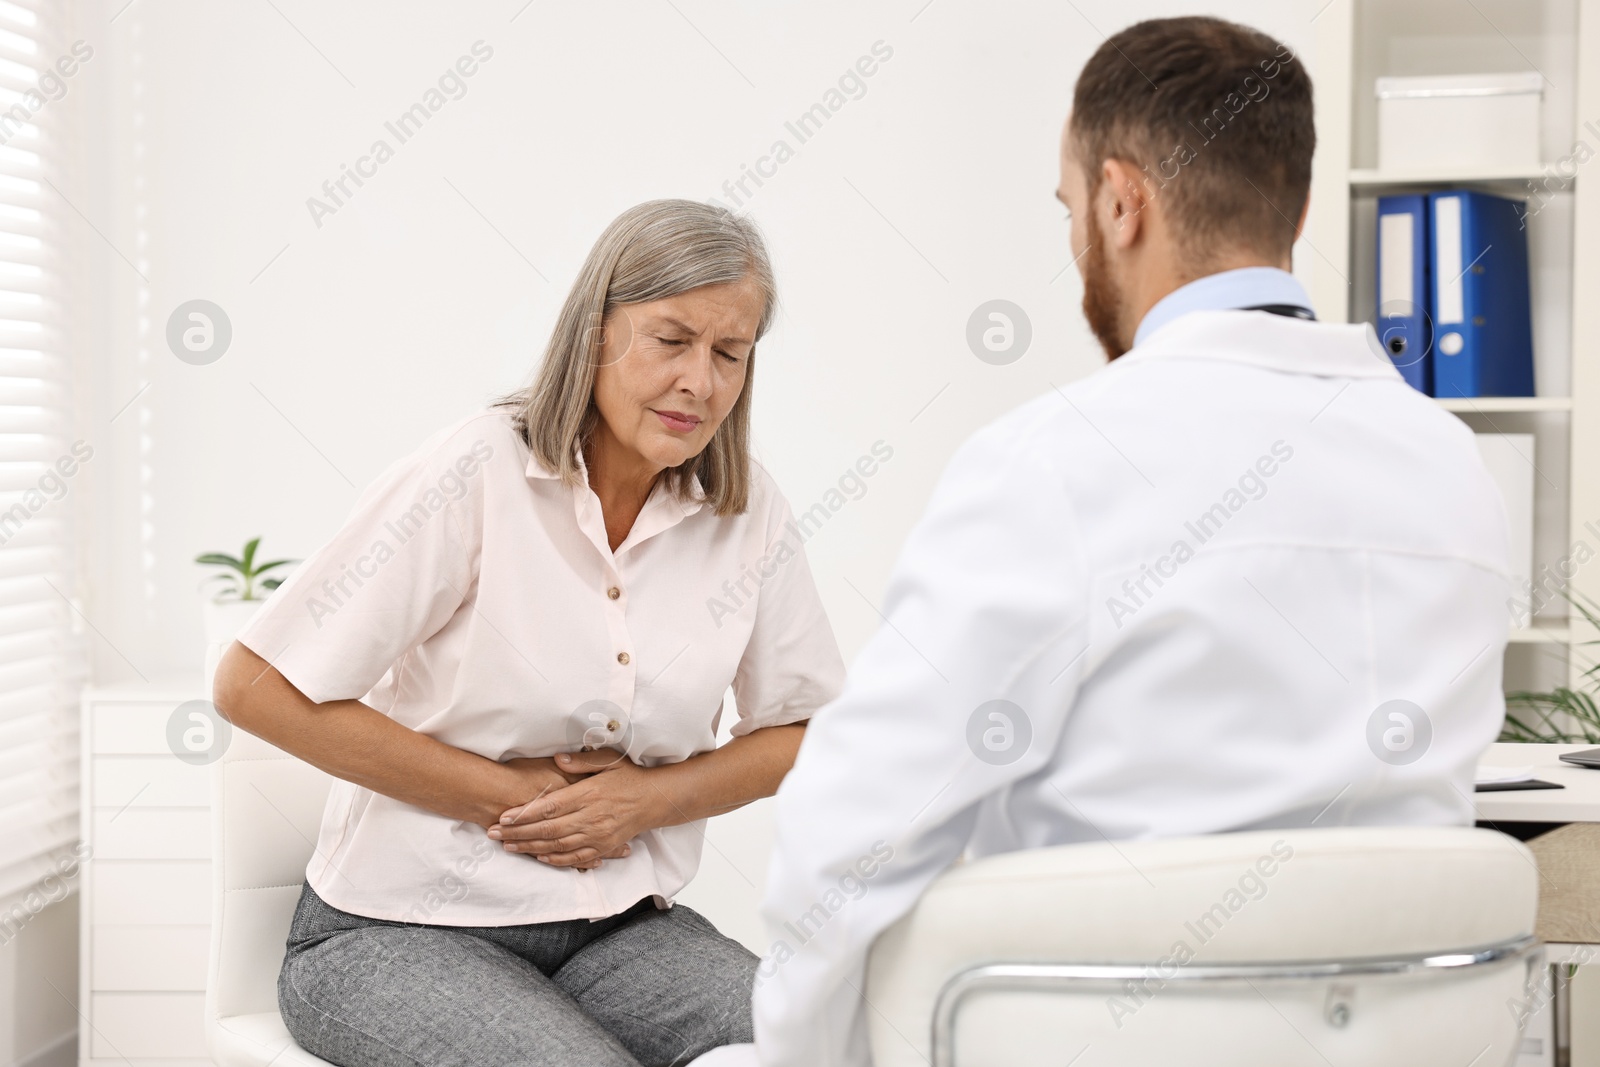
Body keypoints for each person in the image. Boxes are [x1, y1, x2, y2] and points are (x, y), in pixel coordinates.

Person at [708, 16, 1513, 1067]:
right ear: (1299, 206)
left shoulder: (1055, 460)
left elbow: (849, 838)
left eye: (1071, 206)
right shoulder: (1453, 466)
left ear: (1120, 200)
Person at [213, 199, 845, 1067]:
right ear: (594, 334)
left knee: (829, 1040)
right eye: (671, 340)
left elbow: (806, 731)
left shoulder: (746, 512)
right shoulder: (476, 473)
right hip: (400, 932)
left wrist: (650, 800)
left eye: (729, 353)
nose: (701, 381)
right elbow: (251, 686)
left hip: (617, 932)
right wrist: (505, 796)